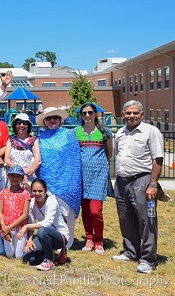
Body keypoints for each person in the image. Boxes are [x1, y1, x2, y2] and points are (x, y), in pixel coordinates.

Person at [112, 100, 163, 274]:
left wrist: (153, 184)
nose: (131, 116)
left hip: (143, 181)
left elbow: (158, 159)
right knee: (125, 218)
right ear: (123, 114)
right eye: (128, 113)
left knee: (146, 220)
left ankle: (148, 259)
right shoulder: (120, 132)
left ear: (142, 114)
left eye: (135, 113)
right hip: (122, 181)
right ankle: (130, 251)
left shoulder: (151, 132)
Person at [36, 107, 81, 249]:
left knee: (67, 213)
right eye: (48, 118)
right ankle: (52, 239)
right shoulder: (41, 137)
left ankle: (67, 242)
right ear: (44, 121)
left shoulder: (69, 135)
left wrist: (73, 181)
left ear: (60, 119)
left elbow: (74, 159)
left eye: (55, 117)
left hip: (67, 181)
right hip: (47, 180)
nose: (52, 120)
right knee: (52, 213)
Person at [75, 103, 113, 255]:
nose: (87, 116)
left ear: (95, 114)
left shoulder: (105, 132)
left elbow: (109, 154)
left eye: (90, 112)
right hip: (81, 176)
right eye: (84, 113)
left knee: (95, 211)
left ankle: (99, 240)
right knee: (85, 210)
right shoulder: (76, 132)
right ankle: (89, 238)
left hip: (98, 176)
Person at [20, 178, 70, 271]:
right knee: (28, 259)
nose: (37, 193)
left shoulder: (52, 200)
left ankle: (49, 259)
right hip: (44, 235)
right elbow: (31, 222)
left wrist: (26, 226)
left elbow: (47, 222)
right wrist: (30, 239)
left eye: (40, 191)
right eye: (34, 191)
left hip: (60, 236)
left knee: (42, 230)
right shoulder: (32, 203)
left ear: (45, 190)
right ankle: (47, 250)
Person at [0, 166, 30, 259]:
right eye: (12, 176)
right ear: (8, 176)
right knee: (9, 255)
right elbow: (0, 212)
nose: (14, 178)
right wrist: (4, 228)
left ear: (21, 178)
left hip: (20, 228)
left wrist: (9, 227)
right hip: (6, 227)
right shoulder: (3, 192)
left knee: (19, 256)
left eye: (17, 176)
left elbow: (25, 215)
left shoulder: (25, 193)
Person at [4, 113, 41, 188]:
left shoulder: (34, 140)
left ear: (28, 126)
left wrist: (26, 175)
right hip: (13, 178)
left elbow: (38, 161)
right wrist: (21, 171)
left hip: (29, 178)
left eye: (25, 123)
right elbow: (7, 160)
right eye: (18, 123)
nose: (21, 125)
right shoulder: (10, 140)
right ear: (15, 125)